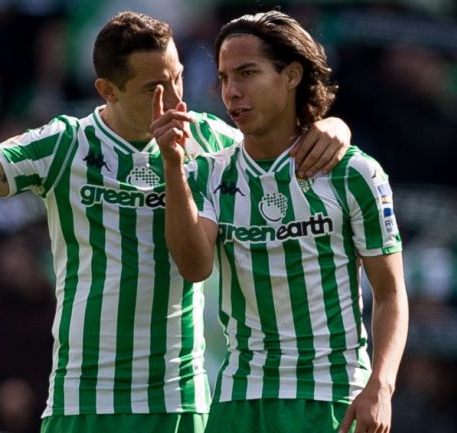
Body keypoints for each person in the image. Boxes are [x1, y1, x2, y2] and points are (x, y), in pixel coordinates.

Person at [0, 11, 353, 433]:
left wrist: (333, 128)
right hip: (83, 396)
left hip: (178, 398)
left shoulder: (213, 142)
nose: (175, 97)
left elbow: (287, 145)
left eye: (179, 77)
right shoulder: (68, 145)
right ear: (107, 91)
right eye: (154, 88)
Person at [153, 10, 408, 433]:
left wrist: (380, 386)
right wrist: (172, 166)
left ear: (291, 75)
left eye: (247, 73)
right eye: (224, 78)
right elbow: (194, 267)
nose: (232, 92)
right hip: (239, 399)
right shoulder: (209, 173)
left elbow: (390, 292)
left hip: (330, 396)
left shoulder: (353, 172)